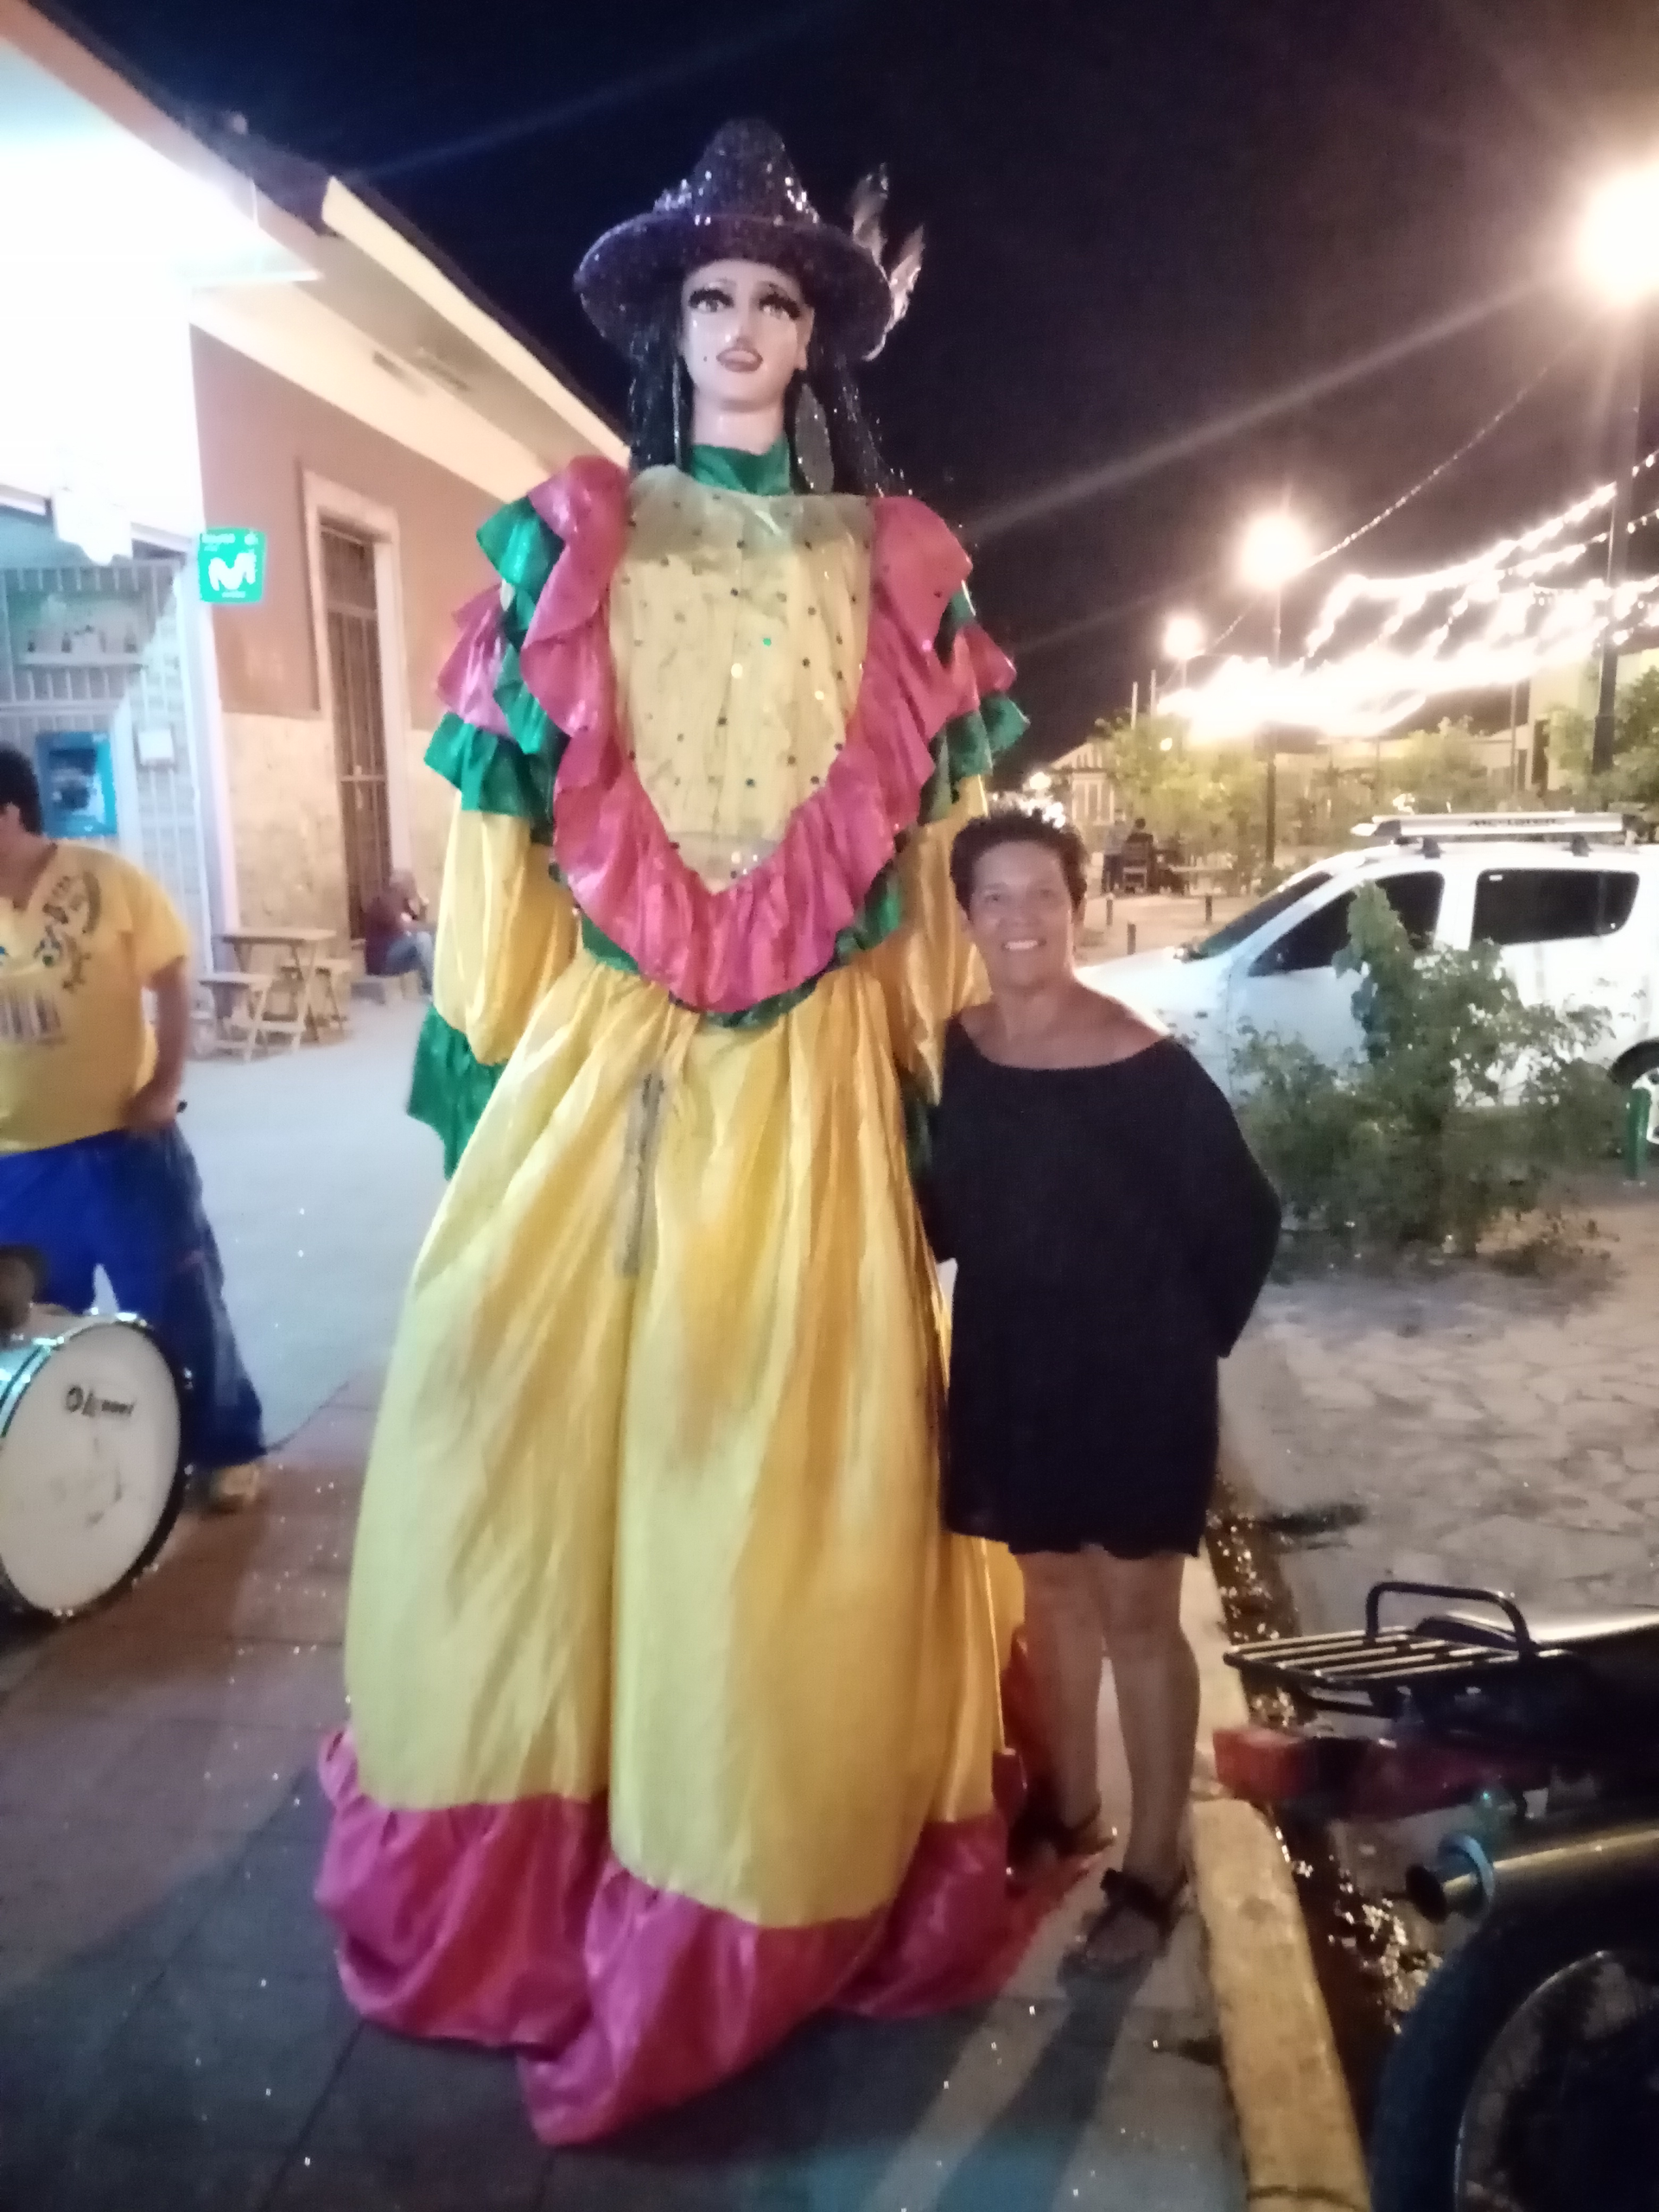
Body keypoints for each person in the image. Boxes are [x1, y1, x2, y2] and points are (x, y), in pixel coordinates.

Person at [317, 121, 1035, 2145]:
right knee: (517, 1417)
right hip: (606, 1072)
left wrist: (942, 1074)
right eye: (711, 300)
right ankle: (548, 1844)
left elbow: (932, 858)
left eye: (775, 302)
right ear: (670, 330)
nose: (739, 330)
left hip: (805, 1093)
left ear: (819, 341)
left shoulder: (902, 566)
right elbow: (495, 838)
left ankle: (748, 1850)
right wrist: (484, 1059)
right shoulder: (569, 536)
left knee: (775, 1457)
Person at [926, 812, 1280, 1971]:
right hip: (1017, 1369)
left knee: (1138, 1617)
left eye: (1042, 894)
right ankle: (1070, 1808)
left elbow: (1244, 1218)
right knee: (1053, 1597)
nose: (1020, 918)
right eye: (996, 898)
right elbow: (947, 1213)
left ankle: (1155, 1867)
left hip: (1135, 1378)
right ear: (967, 915)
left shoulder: (1142, 1063)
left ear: (1076, 907)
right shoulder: (962, 1052)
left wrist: (1178, 1349)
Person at [0, 746, 265, 1511]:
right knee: (40, 1329)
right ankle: (78, 1473)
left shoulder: (105, 883)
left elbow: (172, 975)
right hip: (17, 1162)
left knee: (177, 1299)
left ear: (9, 813)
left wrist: (166, 1082)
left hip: (123, 1146)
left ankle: (225, 1447)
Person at [361, 869, 433, 995]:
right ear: (402, 886)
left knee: (433, 939)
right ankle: (434, 988)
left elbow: (417, 925)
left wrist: (423, 908)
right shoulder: (384, 901)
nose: (414, 887)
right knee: (424, 939)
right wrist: (435, 927)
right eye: (412, 883)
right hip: (384, 960)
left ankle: (433, 984)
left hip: (397, 953)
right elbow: (408, 927)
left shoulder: (402, 903)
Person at [1121, 814, 1156, 890]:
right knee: (1153, 860)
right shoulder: (1148, 837)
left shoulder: (1130, 837)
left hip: (1131, 863)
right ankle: (1151, 885)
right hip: (1143, 862)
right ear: (1144, 826)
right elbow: (1152, 849)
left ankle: (1130, 885)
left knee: (1131, 862)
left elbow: (1124, 848)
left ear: (1135, 826)